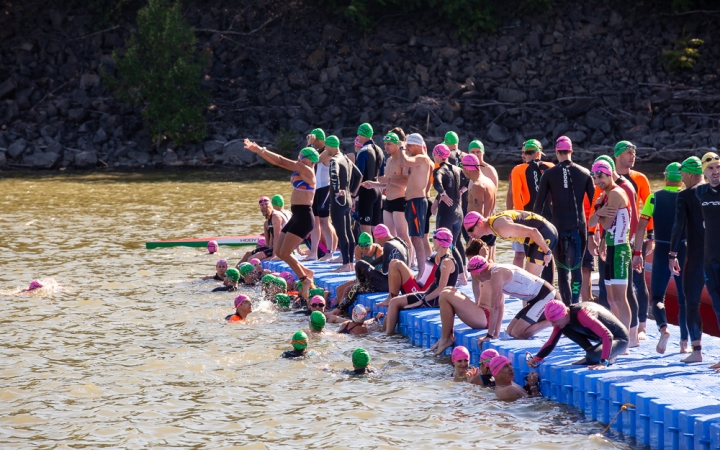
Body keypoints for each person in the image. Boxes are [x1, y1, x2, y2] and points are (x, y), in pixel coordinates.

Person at [432, 255, 559, 355]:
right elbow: (501, 305)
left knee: (518, 333)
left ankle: (553, 321)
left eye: (472, 275)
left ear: (478, 273)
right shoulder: (494, 271)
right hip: (535, 298)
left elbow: (495, 307)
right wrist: (496, 333)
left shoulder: (497, 275)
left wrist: (489, 335)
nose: (473, 278)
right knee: (510, 332)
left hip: (546, 296)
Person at [243, 139, 319, 298]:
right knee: (278, 250)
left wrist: (259, 150)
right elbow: (279, 162)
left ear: (309, 159)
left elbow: (281, 160)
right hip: (297, 215)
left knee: (284, 252)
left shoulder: (307, 169)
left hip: (305, 216)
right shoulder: (302, 168)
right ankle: (307, 272)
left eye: (301, 155)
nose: (298, 158)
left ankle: (304, 278)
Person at [633, 162, 687, 354]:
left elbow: (641, 227)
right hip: (684, 250)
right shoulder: (688, 197)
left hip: (662, 249)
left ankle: (663, 328)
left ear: (665, 178)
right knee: (684, 299)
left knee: (656, 297)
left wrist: (638, 253)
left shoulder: (654, 198)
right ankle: (684, 344)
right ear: (682, 178)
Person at [533, 136, 595, 304]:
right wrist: (594, 233)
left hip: (558, 227)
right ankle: (575, 304)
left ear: (556, 152)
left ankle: (566, 307)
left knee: (562, 271)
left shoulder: (548, 174)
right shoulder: (585, 173)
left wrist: (536, 231)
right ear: (571, 151)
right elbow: (596, 204)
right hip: (579, 227)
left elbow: (538, 207)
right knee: (576, 270)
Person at [590, 155, 640, 346]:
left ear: (609, 174)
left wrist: (599, 212)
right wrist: (599, 212)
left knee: (620, 297)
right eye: (594, 178)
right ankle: (617, 334)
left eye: (600, 178)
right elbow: (592, 221)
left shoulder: (615, 194)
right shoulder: (605, 195)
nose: (597, 182)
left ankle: (626, 339)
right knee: (611, 298)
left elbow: (605, 222)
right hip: (610, 247)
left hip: (620, 249)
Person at [380, 227, 459, 336]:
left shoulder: (447, 261)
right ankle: (384, 334)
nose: (432, 241)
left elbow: (441, 288)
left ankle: (387, 337)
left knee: (394, 302)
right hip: (428, 294)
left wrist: (422, 300)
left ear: (439, 242)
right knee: (394, 304)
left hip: (435, 300)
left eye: (433, 239)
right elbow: (430, 283)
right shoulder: (439, 258)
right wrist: (419, 294)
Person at [669, 156, 705, 363]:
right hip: (715, 255)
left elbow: (678, 227)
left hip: (696, 257)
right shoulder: (713, 192)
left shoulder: (685, 196)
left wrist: (672, 255)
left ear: (690, 173)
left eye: (682, 173)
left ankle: (697, 351)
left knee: (692, 302)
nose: (681, 178)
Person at [334, 224, 410, 315]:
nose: (377, 242)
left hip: (388, 285)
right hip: (399, 284)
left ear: (379, 237)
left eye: (376, 239)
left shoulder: (387, 245)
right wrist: (367, 267)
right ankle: (339, 309)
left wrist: (391, 295)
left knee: (357, 279)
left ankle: (338, 310)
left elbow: (386, 273)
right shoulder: (400, 241)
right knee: (352, 285)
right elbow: (382, 261)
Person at [529, 300, 629, 368]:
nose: (553, 324)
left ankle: (607, 357)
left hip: (619, 338)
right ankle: (592, 351)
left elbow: (607, 335)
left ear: (563, 314)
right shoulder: (564, 319)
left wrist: (603, 362)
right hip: (601, 337)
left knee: (592, 357)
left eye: (554, 321)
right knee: (564, 328)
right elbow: (551, 342)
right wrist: (537, 358)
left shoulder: (583, 315)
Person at [463, 210, 556, 283]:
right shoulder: (492, 224)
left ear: (480, 224)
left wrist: (547, 252)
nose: (469, 234)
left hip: (544, 234)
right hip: (534, 239)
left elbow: (533, 232)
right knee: (528, 280)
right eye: (467, 231)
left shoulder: (501, 228)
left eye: (471, 230)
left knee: (529, 281)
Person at [362, 132, 411, 265]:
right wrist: (373, 184)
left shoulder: (402, 161)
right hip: (388, 201)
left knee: (402, 235)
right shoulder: (388, 160)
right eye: (385, 144)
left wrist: (388, 180)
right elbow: (387, 182)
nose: (386, 147)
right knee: (388, 237)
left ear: (397, 144)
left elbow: (406, 182)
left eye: (389, 144)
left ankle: (410, 261)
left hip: (400, 200)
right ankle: (393, 261)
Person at [508, 139, 554, 269]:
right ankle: (548, 283)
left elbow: (516, 197)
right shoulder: (551, 167)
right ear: (539, 154)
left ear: (526, 153)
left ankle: (522, 283)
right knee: (548, 251)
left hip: (527, 218)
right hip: (548, 218)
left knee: (526, 253)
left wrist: (517, 219)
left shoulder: (517, 170)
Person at [693, 152, 720, 371]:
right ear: (703, 171)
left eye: (718, 167)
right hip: (710, 260)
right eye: (710, 168)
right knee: (718, 307)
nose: (715, 172)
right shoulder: (699, 193)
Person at [399, 133, 434, 279]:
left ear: (418, 145)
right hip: (414, 201)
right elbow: (405, 169)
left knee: (416, 238)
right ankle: (427, 271)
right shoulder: (419, 161)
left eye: (409, 145)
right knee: (419, 237)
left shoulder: (422, 158)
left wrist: (401, 147)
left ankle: (422, 273)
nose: (407, 148)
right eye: (406, 145)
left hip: (417, 201)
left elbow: (405, 161)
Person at [432, 143, 467, 283]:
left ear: (438, 156)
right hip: (458, 213)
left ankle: (448, 277)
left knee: (443, 244)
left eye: (434, 154)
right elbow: (469, 178)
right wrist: (462, 190)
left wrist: (442, 194)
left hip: (446, 213)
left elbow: (437, 181)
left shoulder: (439, 170)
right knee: (456, 243)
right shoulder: (458, 169)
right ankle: (463, 276)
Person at [325, 135, 359, 272]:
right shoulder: (345, 158)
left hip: (338, 200)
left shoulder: (334, 160)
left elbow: (334, 174)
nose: (325, 149)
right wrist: (352, 192)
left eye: (327, 146)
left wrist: (338, 190)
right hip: (348, 200)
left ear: (332, 146)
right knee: (349, 231)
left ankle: (345, 264)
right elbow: (359, 175)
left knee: (341, 232)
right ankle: (350, 263)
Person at [307, 128, 338, 262]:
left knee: (325, 222)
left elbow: (309, 160)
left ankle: (330, 251)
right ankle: (313, 252)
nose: (313, 143)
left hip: (325, 188)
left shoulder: (326, 151)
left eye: (315, 140)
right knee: (315, 222)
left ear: (320, 140)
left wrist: (309, 144)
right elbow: (303, 161)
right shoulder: (317, 151)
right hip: (316, 189)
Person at [461, 153, 497, 261]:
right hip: (490, 227)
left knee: (477, 267)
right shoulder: (489, 181)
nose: (462, 171)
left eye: (463, 168)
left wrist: (472, 236)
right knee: (489, 263)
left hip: (479, 231)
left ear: (467, 169)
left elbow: (478, 214)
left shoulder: (477, 186)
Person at [354, 123, 384, 234]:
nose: (358, 136)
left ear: (361, 134)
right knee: (376, 231)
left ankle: (365, 251)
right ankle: (377, 250)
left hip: (366, 193)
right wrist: (380, 196)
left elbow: (359, 176)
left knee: (365, 229)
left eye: (358, 134)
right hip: (377, 192)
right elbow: (382, 176)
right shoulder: (380, 151)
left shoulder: (363, 152)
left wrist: (353, 196)